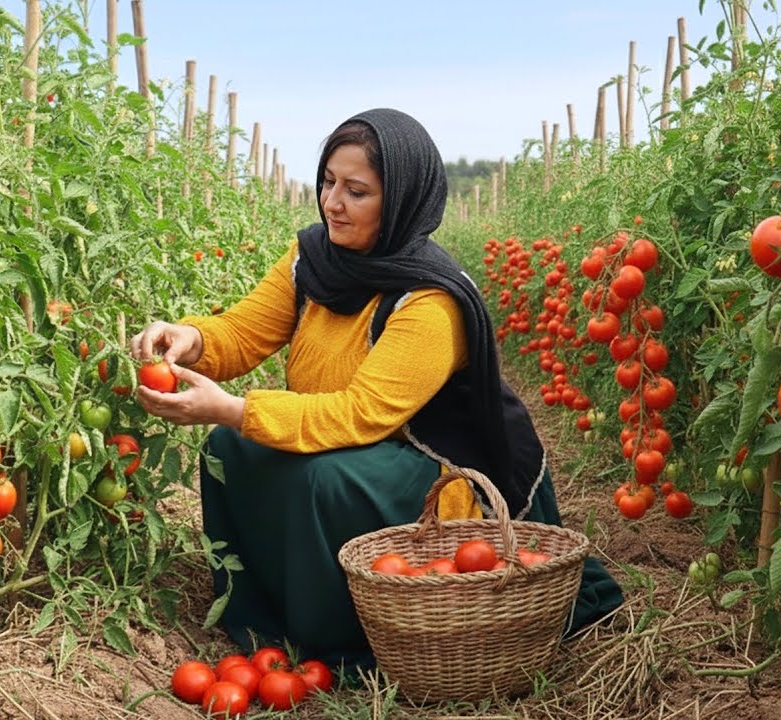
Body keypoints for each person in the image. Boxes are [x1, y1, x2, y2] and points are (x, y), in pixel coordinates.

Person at [130, 108, 621, 669]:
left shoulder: (429, 302)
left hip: (428, 460)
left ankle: (344, 643)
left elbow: (361, 414)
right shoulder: (313, 258)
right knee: (229, 448)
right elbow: (244, 330)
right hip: (358, 439)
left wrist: (235, 408)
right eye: (328, 181)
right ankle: (266, 620)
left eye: (356, 191)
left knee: (320, 477)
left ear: (401, 202)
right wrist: (190, 337)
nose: (332, 203)